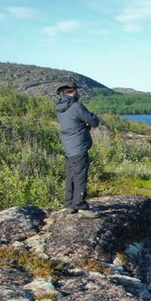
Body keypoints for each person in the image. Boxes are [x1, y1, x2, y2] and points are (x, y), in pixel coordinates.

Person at [55, 83, 100, 214]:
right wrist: (88, 122)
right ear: (72, 92)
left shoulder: (60, 108)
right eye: (74, 91)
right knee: (80, 176)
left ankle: (69, 204)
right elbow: (94, 121)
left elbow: (72, 124)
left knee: (71, 175)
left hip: (68, 147)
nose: (76, 93)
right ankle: (80, 204)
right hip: (79, 146)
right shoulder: (76, 106)